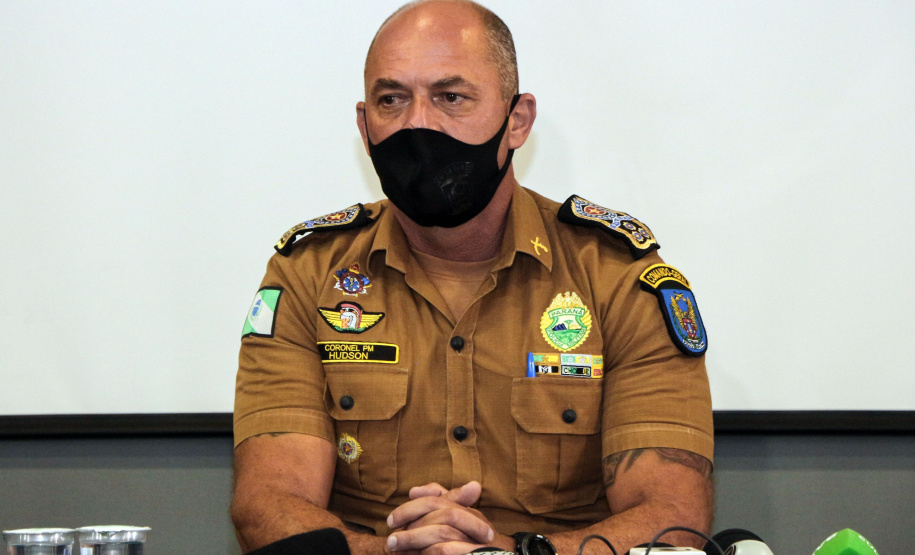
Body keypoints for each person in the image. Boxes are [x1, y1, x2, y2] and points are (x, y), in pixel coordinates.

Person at [231, 1, 714, 554]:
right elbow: (265, 507)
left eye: (450, 97)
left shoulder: (617, 278)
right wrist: (394, 553)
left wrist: (503, 554)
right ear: (365, 128)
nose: (418, 124)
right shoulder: (308, 275)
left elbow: (674, 518)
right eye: (393, 100)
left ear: (517, 121)